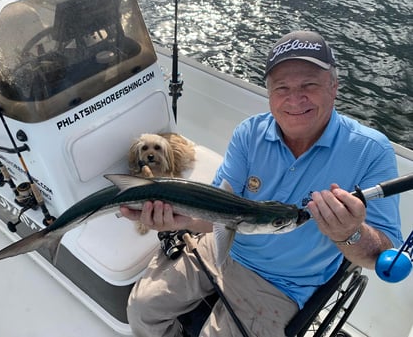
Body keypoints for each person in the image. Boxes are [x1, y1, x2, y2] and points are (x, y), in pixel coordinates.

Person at [120, 30, 403, 337]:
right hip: (219, 248)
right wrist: (181, 218)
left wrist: (349, 232)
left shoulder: (371, 151)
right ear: (269, 93)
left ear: (333, 87)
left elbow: (381, 255)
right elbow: (217, 209)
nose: (295, 98)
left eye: (309, 84)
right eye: (282, 87)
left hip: (282, 282)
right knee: (142, 310)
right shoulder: (249, 133)